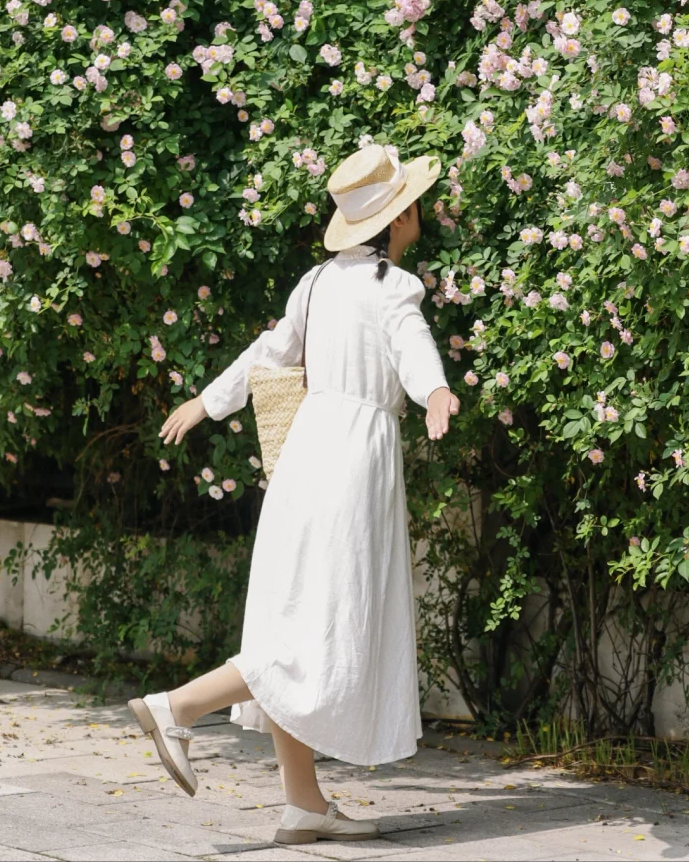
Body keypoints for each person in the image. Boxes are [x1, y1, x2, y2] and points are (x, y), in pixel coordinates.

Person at [127, 143, 459, 846]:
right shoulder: (390, 287)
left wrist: (205, 402)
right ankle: (177, 707)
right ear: (397, 219)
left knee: (292, 621)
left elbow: (266, 356)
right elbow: (411, 346)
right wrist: (435, 391)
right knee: (317, 632)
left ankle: (303, 802)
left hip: (307, 454)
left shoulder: (313, 283)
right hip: (353, 466)